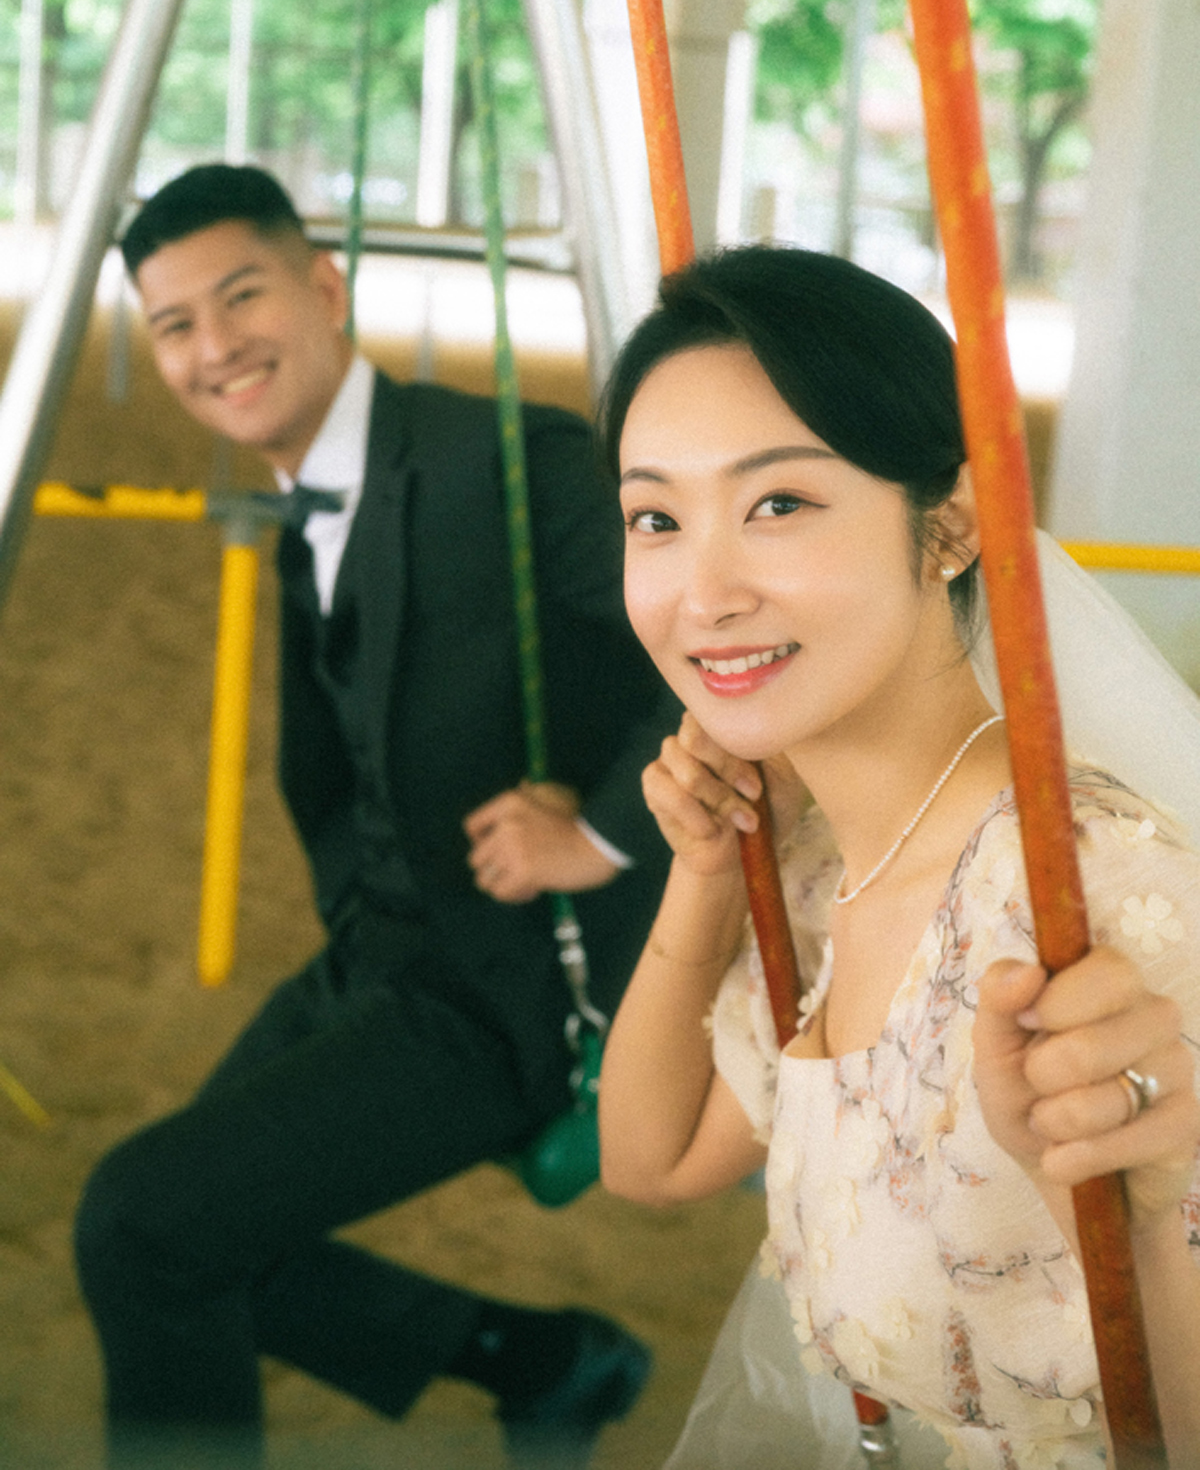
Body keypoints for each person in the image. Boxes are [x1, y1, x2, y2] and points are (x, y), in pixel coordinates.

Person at [74, 163, 678, 1469]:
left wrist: (598, 832)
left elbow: (711, 662)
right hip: (376, 949)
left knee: (145, 1221)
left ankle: (543, 1357)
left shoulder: (508, 461)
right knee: (173, 1230)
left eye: (242, 296)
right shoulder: (306, 501)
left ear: (326, 285)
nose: (214, 345)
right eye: (174, 323)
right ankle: (541, 1360)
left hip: (509, 987)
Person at [595, 245, 1200, 1467]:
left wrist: (1145, 1215)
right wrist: (710, 871)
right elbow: (650, 1159)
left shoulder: (1082, 895)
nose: (703, 592)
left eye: (778, 502)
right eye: (656, 517)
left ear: (952, 523)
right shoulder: (825, 863)